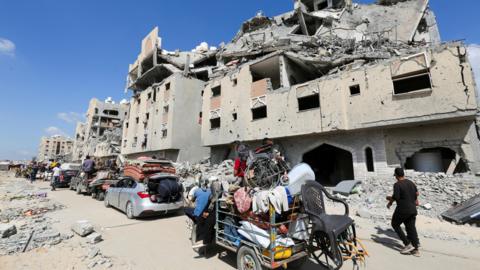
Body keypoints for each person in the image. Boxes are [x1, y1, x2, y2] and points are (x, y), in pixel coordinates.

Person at [386, 168, 420, 257]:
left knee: (395, 224)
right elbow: (417, 193)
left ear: (396, 176)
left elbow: (396, 197)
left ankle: (407, 244)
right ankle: (416, 248)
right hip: (413, 209)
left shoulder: (397, 185)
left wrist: (389, 199)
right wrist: (415, 200)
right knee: (411, 227)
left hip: (403, 209)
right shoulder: (410, 182)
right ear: (403, 174)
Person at [184, 178, 213, 249]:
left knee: (185, 209)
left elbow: (192, 200)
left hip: (199, 214)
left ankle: (194, 222)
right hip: (206, 212)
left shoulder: (197, 191)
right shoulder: (210, 192)